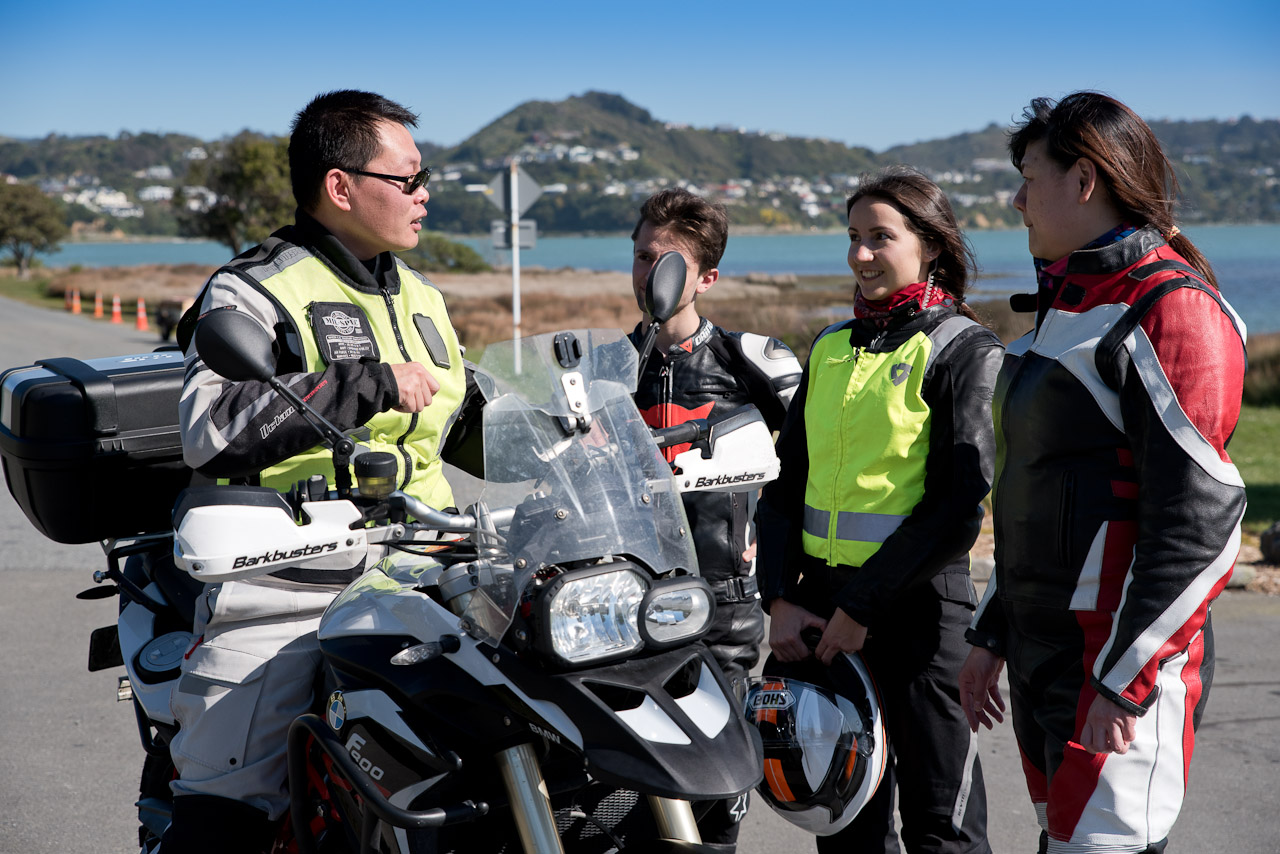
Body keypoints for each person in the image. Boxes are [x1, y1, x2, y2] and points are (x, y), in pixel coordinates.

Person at [164, 90, 479, 853]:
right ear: (341, 187)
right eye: (409, 178)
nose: (425, 193)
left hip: (423, 567)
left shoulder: (424, 296)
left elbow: (460, 424)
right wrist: (363, 381)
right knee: (226, 797)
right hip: (291, 578)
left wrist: (572, 438)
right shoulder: (256, 289)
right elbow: (210, 428)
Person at [958, 92, 1247, 854]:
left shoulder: (1170, 309)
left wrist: (1124, 679)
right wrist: (990, 633)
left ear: (1083, 180)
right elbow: (1037, 491)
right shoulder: (1073, 300)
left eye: (1027, 176)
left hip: (1111, 668)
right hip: (1042, 655)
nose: (1016, 200)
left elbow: (1202, 521)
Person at [757, 166, 1002, 854]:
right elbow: (785, 487)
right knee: (842, 820)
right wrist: (777, 597)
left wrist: (861, 607)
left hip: (921, 616)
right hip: (820, 615)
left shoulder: (965, 349)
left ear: (929, 243)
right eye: (853, 238)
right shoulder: (831, 347)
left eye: (880, 238)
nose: (861, 255)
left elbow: (958, 509)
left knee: (940, 827)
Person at [628, 187, 802, 847]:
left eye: (666, 261)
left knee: (712, 805)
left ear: (707, 277)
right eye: (642, 256)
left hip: (726, 613)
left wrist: (788, 585)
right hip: (626, 616)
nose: (650, 273)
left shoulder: (753, 360)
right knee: (629, 804)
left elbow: (812, 473)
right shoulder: (609, 369)